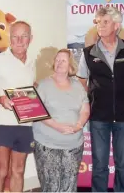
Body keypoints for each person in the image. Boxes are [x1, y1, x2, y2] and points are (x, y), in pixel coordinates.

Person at [76, 6, 124, 192]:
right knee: (99, 166)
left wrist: (122, 90)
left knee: (123, 165)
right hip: (99, 117)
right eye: (98, 22)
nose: (100, 25)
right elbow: (82, 81)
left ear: (117, 25)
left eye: (105, 22)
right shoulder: (88, 53)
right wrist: (90, 100)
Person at [0, 21, 36, 192]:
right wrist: (0, 99)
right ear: (9, 38)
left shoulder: (32, 62)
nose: (19, 40)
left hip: (25, 124)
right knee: (1, 170)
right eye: (15, 36)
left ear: (30, 39)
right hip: (1, 123)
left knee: (19, 170)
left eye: (24, 36)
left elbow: (31, 90)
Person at [32, 49, 90, 192]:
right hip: (47, 144)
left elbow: (85, 110)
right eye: (57, 60)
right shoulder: (44, 85)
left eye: (63, 60)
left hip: (73, 145)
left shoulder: (78, 86)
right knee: (51, 187)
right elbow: (38, 112)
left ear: (70, 65)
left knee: (69, 187)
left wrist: (78, 125)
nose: (59, 63)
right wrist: (57, 126)